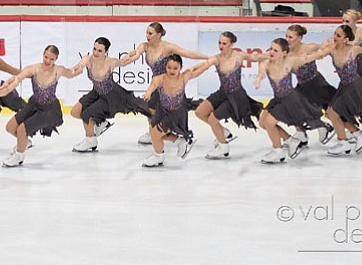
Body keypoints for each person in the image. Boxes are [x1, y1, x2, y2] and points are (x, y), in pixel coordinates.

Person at [121, 22, 209, 145]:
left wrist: (208, 58)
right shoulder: (145, 46)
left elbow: (188, 53)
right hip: (157, 83)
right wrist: (130, 58)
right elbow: (136, 53)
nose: (147, 35)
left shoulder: (167, 47)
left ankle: (219, 129)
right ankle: (153, 130)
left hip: (170, 84)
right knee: (150, 108)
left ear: (158, 34)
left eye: (150, 33)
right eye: (147, 32)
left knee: (177, 108)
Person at [305, 25, 362, 156]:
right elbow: (319, 55)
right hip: (344, 86)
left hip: (355, 86)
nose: (334, 37)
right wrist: (306, 58)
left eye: (338, 36)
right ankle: (357, 135)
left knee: (333, 113)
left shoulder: (354, 49)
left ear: (346, 39)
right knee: (332, 113)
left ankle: (346, 141)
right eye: (334, 34)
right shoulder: (332, 49)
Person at [0, 45, 83, 167]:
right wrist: (8, 86)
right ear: (43, 54)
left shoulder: (58, 70)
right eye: (46, 57)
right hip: (35, 104)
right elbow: (18, 78)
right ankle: (25, 142)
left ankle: (19, 156)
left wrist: (80, 67)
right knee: (10, 127)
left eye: (51, 59)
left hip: (50, 109)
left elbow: (71, 73)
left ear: (56, 59)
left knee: (22, 129)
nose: (48, 61)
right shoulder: (33, 69)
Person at [71, 37, 150, 152]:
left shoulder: (111, 62)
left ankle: (90, 140)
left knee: (87, 114)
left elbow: (125, 61)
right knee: (75, 112)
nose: (96, 53)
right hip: (96, 92)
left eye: (100, 51)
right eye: (94, 49)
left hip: (110, 95)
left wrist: (136, 54)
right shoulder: (88, 59)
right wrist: (76, 69)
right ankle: (101, 123)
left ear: (106, 52)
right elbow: (80, 65)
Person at [194, 31, 265, 159]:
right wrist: (189, 74)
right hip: (222, 92)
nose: (221, 46)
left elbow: (257, 58)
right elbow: (204, 65)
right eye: (219, 43)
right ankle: (223, 132)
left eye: (224, 43)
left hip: (236, 95)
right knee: (199, 112)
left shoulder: (239, 55)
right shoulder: (217, 58)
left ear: (232, 44)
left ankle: (224, 147)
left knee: (212, 119)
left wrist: (261, 74)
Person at [254, 38, 327, 164]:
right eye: (271, 49)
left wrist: (320, 52)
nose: (271, 52)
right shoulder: (265, 63)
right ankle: (291, 141)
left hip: (290, 99)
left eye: (275, 50)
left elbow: (311, 57)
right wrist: (258, 79)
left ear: (284, 53)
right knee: (262, 123)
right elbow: (261, 74)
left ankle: (278, 152)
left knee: (269, 123)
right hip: (278, 99)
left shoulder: (290, 61)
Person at [140, 54, 203, 167]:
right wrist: (148, 93)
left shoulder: (183, 77)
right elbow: (152, 86)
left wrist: (211, 61)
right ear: (165, 67)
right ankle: (178, 141)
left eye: (175, 68)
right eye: (169, 67)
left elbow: (200, 69)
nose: (172, 70)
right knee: (153, 132)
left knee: (155, 133)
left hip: (176, 113)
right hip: (163, 110)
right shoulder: (159, 78)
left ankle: (158, 156)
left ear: (180, 67)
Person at [284, 25, 336, 147]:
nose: (287, 39)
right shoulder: (286, 53)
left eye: (290, 37)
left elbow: (325, 48)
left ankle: (347, 132)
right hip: (302, 85)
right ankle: (303, 134)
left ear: (299, 38)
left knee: (331, 110)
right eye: (286, 36)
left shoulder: (309, 47)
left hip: (316, 83)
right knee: (290, 106)